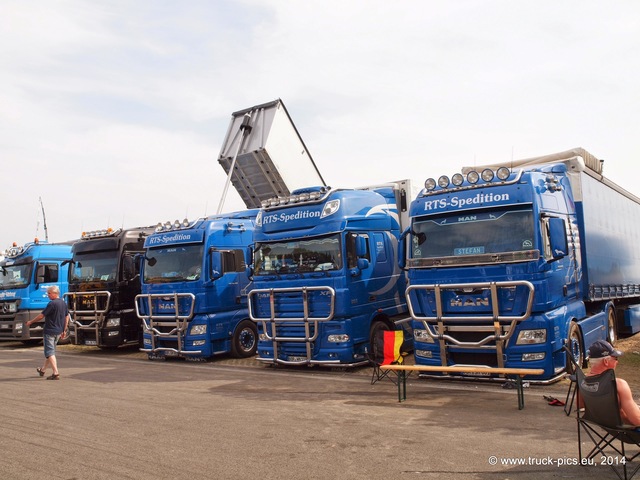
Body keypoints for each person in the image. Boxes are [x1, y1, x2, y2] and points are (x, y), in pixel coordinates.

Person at [587, 340, 640, 425]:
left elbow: (580, 405)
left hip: (606, 425)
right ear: (606, 362)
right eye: (615, 358)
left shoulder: (583, 382)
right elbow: (637, 421)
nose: (617, 362)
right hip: (627, 430)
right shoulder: (619, 385)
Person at [26, 285, 70, 380]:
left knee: (49, 352)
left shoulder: (52, 304)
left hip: (49, 331)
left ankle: (55, 372)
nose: (48, 295)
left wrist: (31, 322)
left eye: (49, 293)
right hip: (58, 331)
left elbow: (42, 316)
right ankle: (43, 370)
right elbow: (67, 317)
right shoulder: (63, 303)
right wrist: (64, 330)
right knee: (50, 352)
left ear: (55, 293)